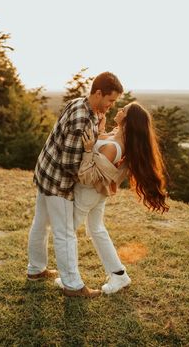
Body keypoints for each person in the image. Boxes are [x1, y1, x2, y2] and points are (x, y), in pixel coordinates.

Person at [55, 101, 168, 294]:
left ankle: (70, 280)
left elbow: (89, 176)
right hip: (98, 194)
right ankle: (119, 275)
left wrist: (89, 150)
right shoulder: (116, 136)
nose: (119, 110)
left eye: (123, 110)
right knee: (97, 229)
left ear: (128, 119)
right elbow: (102, 143)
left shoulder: (114, 148)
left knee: (67, 232)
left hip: (89, 192)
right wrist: (100, 129)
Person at [27, 72, 123, 298]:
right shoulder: (82, 117)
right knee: (65, 233)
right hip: (58, 181)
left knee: (40, 223)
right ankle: (72, 285)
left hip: (45, 171)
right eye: (110, 100)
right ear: (98, 93)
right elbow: (70, 164)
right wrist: (92, 175)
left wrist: (98, 129)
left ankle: (35, 269)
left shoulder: (80, 103)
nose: (111, 105)